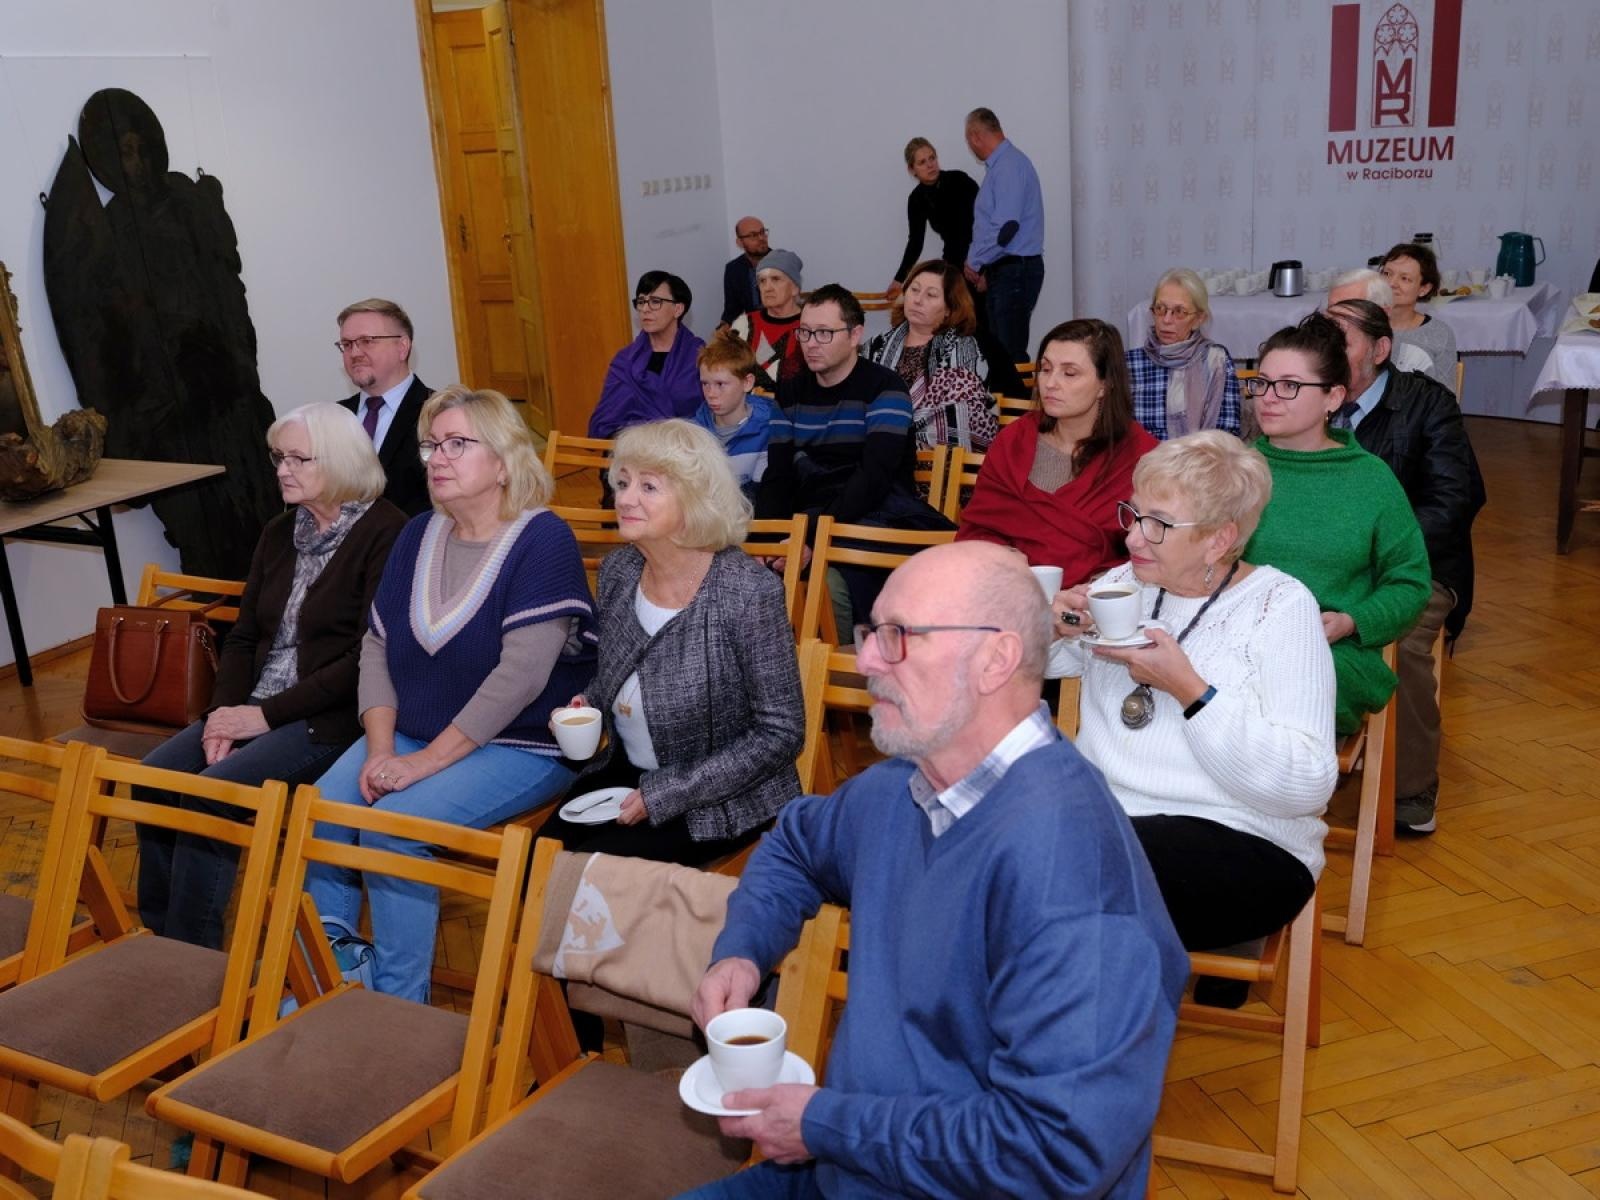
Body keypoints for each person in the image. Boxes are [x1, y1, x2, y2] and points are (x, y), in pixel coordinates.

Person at [682, 542, 1188, 1200]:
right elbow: (797, 844)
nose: (864, 659)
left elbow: (1056, 1154)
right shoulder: (906, 783)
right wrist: (744, 951)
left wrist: (825, 1123)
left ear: (994, 659)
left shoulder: (1072, 876)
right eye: (871, 633)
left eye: (898, 638)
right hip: (852, 1167)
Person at [305, 385, 598, 1003]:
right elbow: (378, 646)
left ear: (502, 460)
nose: (437, 457)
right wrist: (382, 749)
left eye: (457, 444)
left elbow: (519, 678)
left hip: (523, 743)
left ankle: (397, 1006)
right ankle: (337, 976)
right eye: (432, 445)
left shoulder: (542, 540)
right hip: (411, 730)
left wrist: (421, 764)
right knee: (321, 810)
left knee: (393, 826)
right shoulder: (416, 534)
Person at [1047, 432, 1336, 993]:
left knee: (1061, 886)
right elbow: (1051, 665)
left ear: (1219, 539)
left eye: (1158, 524)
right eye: (1134, 513)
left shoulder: (1281, 609)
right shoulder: (1122, 585)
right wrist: (1051, 627)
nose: (1132, 534)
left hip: (1244, 840)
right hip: (1110, 828)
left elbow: (1307, 784)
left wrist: (1192, 694)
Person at [137, 403, 406, 949]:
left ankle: (194, 962)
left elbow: (364, 660)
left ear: (339, 461)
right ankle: (157, 943)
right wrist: (220, 716)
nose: (282, 469)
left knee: (212, 795)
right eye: (278, 457)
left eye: (297, 459)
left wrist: (261, 717)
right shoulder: (280, 531)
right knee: (153, 781)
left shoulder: (388, 532)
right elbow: (241, 637)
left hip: (331, 717)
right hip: (254, 705)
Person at [539, 419, 804, 864]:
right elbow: (617, 673)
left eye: (648, 487)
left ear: (694, 499)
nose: (624, 498)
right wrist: (588, 704)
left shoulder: (746, 592)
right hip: (628, 774)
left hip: (720, 797)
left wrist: (671, 792)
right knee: (533, 864)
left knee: (586, 884)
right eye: (622, 483)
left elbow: (781, 732)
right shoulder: (620, 572)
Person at [1326, 299, 1486, 834]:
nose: (1323, 355)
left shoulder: (1427, 403)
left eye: (1339, 341)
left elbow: (1454, 500)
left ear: (1380, 349)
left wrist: (1376, 554)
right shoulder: (1309, 399)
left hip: (1418, 565)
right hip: (1331, 565)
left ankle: (1412, 786)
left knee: (1405, 645)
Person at [1242, 313, 1430, 736]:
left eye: (1289, 386)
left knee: (1253, 700)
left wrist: (1352, 619)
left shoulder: (1369, 479)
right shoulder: (1235, 469)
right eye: (1262, 383)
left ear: (1333, 397)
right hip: (1239, 640)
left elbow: (1411, 582)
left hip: (1331, 651)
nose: (1268, 397)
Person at [755, 284, 951, 627]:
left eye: (825, 333)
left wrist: (813, 538)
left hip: (873, 516)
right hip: (807, 515)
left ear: (855, 334)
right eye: (804, 332)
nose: (811, 343)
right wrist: (770, 541)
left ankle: (840, 668)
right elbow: (778, 474)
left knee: (831, 589)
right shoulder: (790, 392)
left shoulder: (884, 388)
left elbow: (873, 478)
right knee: (743, 572)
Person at [957, 318, 1157, 587]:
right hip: (1012, 592)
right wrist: (1000, 554)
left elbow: (1156, 547)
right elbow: (978, 528)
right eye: (1046, 369)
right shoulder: (1014, 441)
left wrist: (1098, 588)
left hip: (1104, 600)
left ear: (1104, 384)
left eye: (1069, 373)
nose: (1050, 383)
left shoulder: (1140, 455)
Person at [864, 259, 997, 451]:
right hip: (873, 456)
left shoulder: (963, 350)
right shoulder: (876, 346)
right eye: (914, 290)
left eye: (931, 295)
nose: (918, 300)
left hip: (937, 463)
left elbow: (961, 420)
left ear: (949, 309)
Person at [962, 107, 1045, 368]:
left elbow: (1006, 229)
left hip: (1015, 272)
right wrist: (990, 268)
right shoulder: (1005, 165)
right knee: (1001, 356)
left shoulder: (1008, 166)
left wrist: (974, 262)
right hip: (1008, 270)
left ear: (976, 137)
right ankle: (1008, 408)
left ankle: (1019, 410)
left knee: (1010, 357)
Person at [337, 298, 431, 515]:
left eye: (367, 341)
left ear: (402, 347)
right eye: (347, 344)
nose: (355, 353)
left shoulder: (439, 412)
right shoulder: (335, 417)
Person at [1128, 268, 1242, 440]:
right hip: (1141, 463)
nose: (1166, 320)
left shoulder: (1215, 362)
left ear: (1198, 319)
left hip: (1201, 462)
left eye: (1179, 312)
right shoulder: (1130, 363)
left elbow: (1227, 435)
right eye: (1160, 309)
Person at [590, 271, 704, 438]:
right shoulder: (624, 359)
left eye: (655, 302)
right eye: (641, 302)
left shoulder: (699, 355)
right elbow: (606, 416)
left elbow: (709, 413)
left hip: (685, 449)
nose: (644, 309)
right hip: (633, 449)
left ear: (678, 309)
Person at [885, 138, 979, 302]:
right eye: (922, 162)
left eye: (932, 158)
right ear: (912, 169)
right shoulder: (916, 199)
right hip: (954, 267)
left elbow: (987, 219)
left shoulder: (960, 180)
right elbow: (915, 242)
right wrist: (899, 279)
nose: (930, 165)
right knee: (958, 323)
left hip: (980, 260)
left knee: (986, 321)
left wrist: (980, 260)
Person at [691, 329, 774, 500]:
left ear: (747, 383)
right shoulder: (693, 433)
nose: (711, 393)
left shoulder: (770, 428)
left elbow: (763, 497)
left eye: (721, 384)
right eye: (705, 384)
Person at [1380, 242, 1458, 393]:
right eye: (1387, 274)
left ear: (1424, 289)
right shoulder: (1363, 324)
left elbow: (1445, 398)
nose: (1391, 283)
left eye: (1405, 278)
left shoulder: (1439, 333)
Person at [1325, 270, 1434, 375]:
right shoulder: (1316, 351)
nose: (1333, 320)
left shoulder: (1414, 361)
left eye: (1346, 311)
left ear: (1382, 313)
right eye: (1330, 310)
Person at [730, 249, 805, 391]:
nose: (767, 288)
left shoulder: (812, 325)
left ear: (795, 288)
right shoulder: (744, 324)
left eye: (776, 279)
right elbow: (726, 372)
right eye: (762, 281)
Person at [721, 217, 770, 328]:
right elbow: (731, 312)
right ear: (740, 242)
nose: (761, 238)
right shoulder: (733, 269)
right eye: (753, 235)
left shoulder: (782, 261)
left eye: (762, 232)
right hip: (752, 329)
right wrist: (720, 334)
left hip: (781, 324)